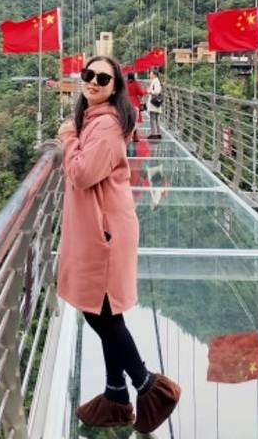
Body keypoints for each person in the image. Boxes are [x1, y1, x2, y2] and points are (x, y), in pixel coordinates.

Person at [57, 55, 181, 432]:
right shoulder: (94, 119)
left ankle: (149, 387)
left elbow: (82, 173)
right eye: (88, 75)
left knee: (100, 313)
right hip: (101, 226)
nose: (92, 82)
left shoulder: (107, 125)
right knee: (104, 310)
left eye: (102, 79)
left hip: (105, 231)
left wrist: (68, 137)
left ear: (114, 88)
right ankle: (115, 395)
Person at [125, 71, 146, 141]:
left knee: (128, 118)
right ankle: (134, 135)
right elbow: (141, 93)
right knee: (135, 119)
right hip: (135, 102)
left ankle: (128, 134)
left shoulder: (125, 84)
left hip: (126, 102)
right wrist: (145, 92)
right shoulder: (136, 83)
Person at [147, 69, 163, 139]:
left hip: (153, 102)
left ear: (154, 75)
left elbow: (157, 91)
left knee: (153, 118)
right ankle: (158, 133)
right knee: (156, 118)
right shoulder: (157, 81)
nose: (150, 75)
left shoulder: (155, 81)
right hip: (157, 102)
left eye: (151, 74)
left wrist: (150, 91)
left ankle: (154, 134)